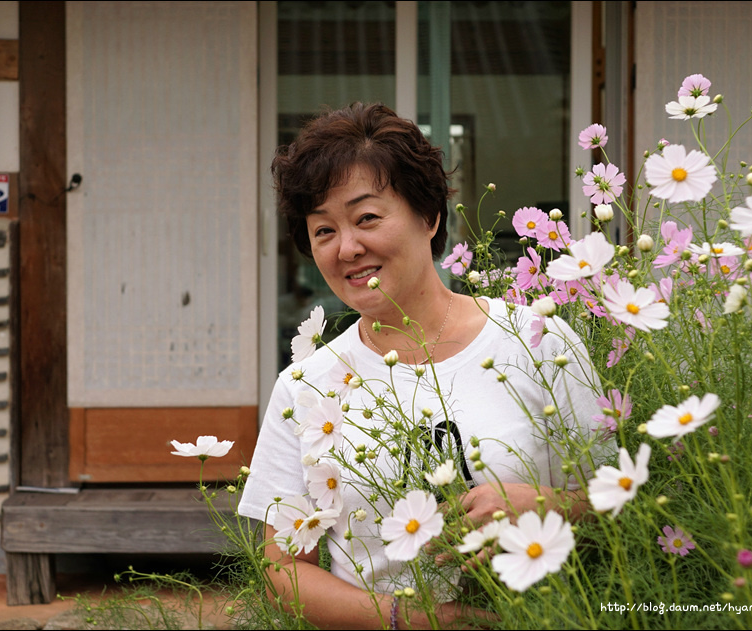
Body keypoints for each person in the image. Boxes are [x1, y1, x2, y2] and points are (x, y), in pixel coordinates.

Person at [238, 103, 605, 629]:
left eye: (367, 218)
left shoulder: (537, 342)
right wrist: (411, 618)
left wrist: (546, 504)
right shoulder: (305, 387)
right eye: (323, 231)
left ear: (429, 216)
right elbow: (284, 570)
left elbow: (620, 501)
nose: (348, 248)